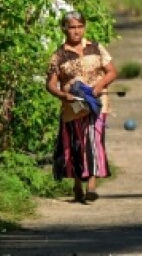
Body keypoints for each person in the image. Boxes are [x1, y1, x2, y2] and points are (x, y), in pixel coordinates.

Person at [46, 10, 118, 203]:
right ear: (64, 29)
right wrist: (63, 95)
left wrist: (99, 86)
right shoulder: (58, 56)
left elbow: (111, 72)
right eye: (72, 27)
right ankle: (77, 184)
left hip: (97, 105)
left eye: (80, 27)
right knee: (77, 145)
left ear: (84, 28)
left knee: (93, 141)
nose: (77, 31)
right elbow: (51, 84)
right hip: (73, 108)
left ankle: (91, 186)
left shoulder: (96, 48)